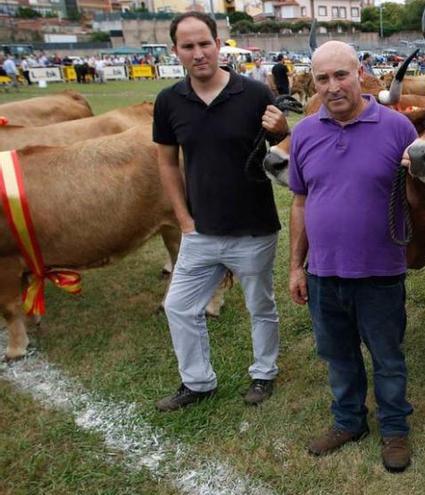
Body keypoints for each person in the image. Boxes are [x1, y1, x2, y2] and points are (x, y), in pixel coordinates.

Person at [287, 40, 417, 473]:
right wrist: (295, 267)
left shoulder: (398, 128)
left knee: (387, 357)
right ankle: (349, 422)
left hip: (380, 273)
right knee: (338, 356)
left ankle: (395, 429)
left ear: (360, 73)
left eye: (341, 75)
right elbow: (300, 203)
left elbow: (424, 197)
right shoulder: (304, 132)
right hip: (324, 273)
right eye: (322, 78)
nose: (332, 86)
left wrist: (417, 176)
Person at [152, 11, 290, 412]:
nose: (198, 53)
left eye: (204, 44)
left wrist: (282, 129)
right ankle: (197, 382)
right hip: (200, 231)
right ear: (175, 51)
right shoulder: (169, 101)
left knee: (259, 305)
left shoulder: (253, 93)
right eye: (188, 46)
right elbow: (166, 162)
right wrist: (184, 220)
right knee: (178, 305)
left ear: (218, 44)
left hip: (254, 228)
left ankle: (263, 373)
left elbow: (283, 149)